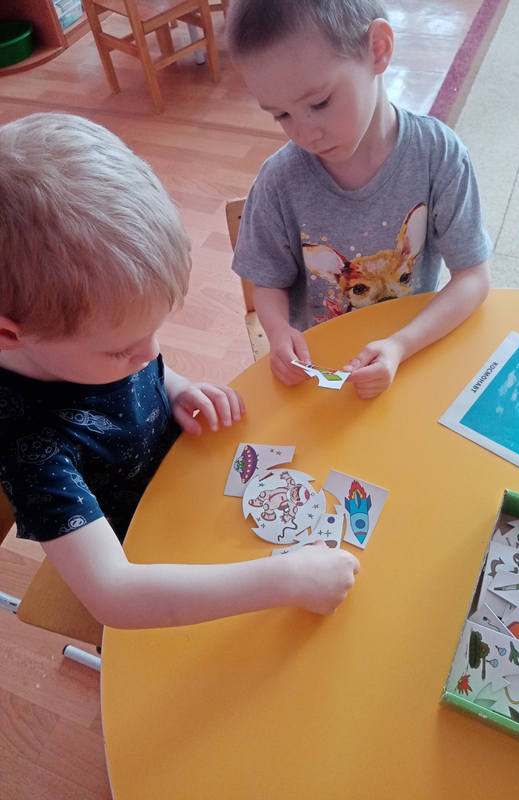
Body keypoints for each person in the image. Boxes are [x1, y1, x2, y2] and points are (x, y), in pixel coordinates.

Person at [0, 113, 359, 629]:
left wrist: (174, 387)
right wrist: (288, 579)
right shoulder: (28, 445)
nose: (151, 354)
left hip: (189, 482)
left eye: (156, 329)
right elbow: (115, 596)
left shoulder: (86, 337)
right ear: (11, 334)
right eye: (122, 351)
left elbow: (137, 365)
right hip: (148, 559)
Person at [227, 0, 493, 399]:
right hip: (326, 373)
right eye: (281, 115)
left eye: (320, 103)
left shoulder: (439, 155)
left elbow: (473, 277)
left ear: (378, 50)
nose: (306, 134)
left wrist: (401, 346)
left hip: (416, 350)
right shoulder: (278, 183)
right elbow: (267, 283)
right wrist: (279, 331)